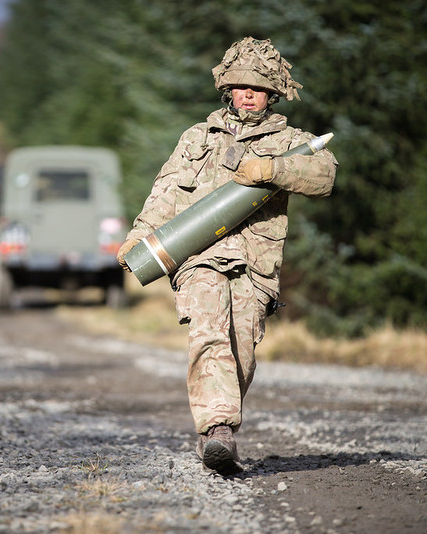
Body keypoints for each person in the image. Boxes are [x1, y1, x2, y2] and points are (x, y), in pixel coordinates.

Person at [117, 37, 337, 475]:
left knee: (240, 350)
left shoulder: (291, 140)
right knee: (209, 333)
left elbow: (325, 174)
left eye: (256, 87)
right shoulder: (197, 137)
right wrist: (139, 235)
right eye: (239, 86)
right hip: (198, 255)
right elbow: (165, 192)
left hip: (255, 264)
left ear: (272, 92)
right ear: (227, 89)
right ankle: (218, 428)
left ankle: (214, 431)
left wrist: (275, 169)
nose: (247, 94)